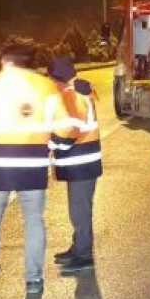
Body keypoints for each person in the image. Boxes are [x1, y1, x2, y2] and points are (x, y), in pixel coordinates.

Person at [0, 45, 76, 294]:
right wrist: (51, 146)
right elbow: (66, 127)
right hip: (32, 165)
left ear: (6, 62)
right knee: (34, 221)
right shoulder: (46, 87)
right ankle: (34, 280)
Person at [47, 58, 102, 275]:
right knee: (78, 210)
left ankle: (84, 255)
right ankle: (78, 247)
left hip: (80, 161)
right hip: (81, 161)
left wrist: (52, 144)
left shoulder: (70, 94)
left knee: (80, 212)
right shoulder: (76, 91)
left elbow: (72, 128)